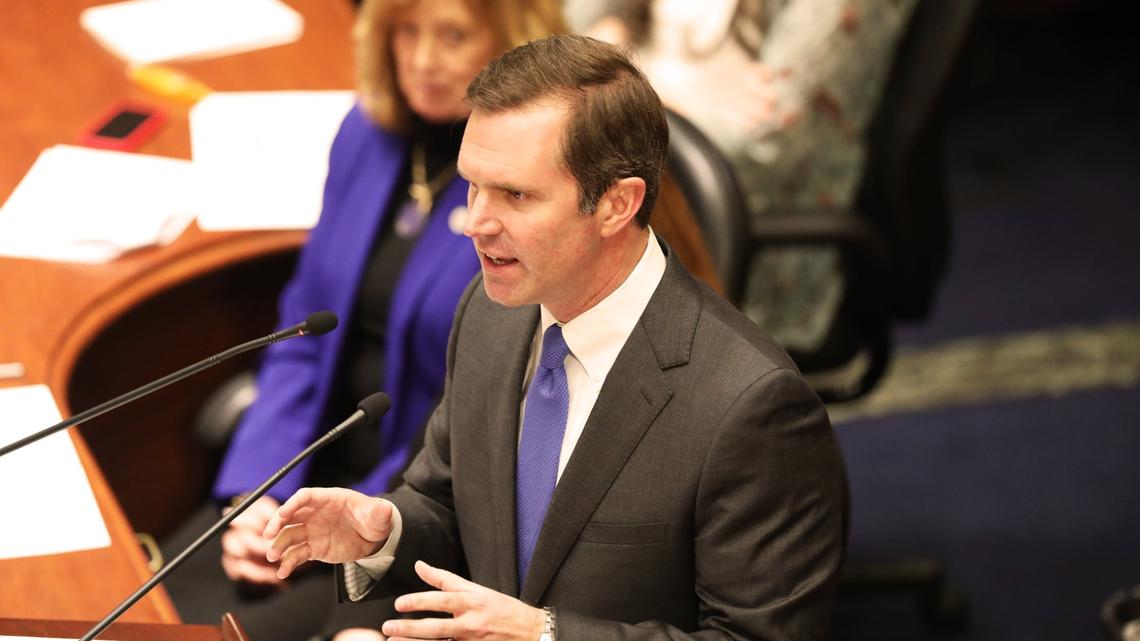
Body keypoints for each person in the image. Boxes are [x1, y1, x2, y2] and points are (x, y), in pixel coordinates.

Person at [262, 34, 848, 641]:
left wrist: (545, 635)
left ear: (617, 204)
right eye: (472, 186)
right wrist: (384, 533)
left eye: (514, 194)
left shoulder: (751, 407)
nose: (474, 223)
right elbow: (445, 500)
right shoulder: (489, 314)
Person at [162, 2, 564, 640]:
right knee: (136, 606)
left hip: (414, 517)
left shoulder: (527, 188)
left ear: (514, 40)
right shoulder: (365, 133)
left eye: (453, 35)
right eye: (406, 31)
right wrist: (259, 492)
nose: (423, 60)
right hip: (306, 474)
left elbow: (482, 416)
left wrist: (346, 522)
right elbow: (302, 333)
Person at [565, 0, 918, 357]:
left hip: (732, 245)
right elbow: (574, 32)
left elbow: (763, 143)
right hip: (637, 203)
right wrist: (669, 86)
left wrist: (621, 79)